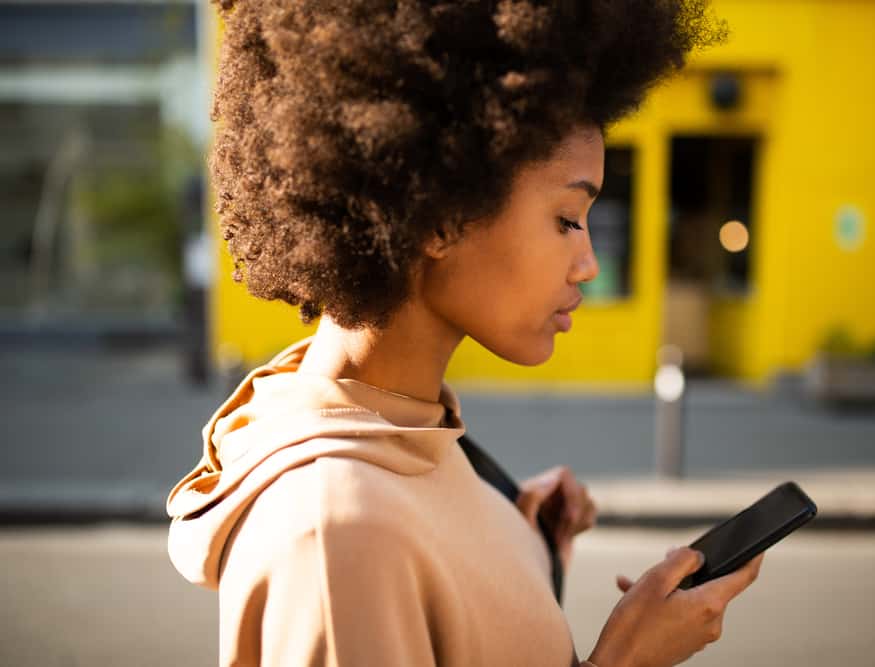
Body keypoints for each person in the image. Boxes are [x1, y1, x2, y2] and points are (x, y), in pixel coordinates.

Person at [166, 1, 762, 665]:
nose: (590, 263)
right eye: (568, 218)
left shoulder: (413, 438)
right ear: (440, 214)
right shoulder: (338, 537)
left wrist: (516, 539)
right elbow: (376, 535)